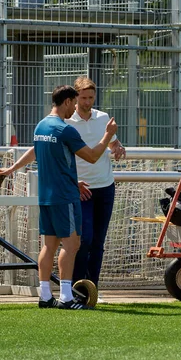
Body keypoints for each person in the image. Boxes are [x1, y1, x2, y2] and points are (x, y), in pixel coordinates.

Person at [0, 85, 117, 310]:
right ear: (67, 102)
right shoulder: (65, 129)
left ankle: (44, 296)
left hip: (46, 196)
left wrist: (12, 168)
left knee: (49, 246)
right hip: (65, 197)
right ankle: (66, 297)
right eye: (74, 102)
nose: (75, 108)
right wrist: (108, 135)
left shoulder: (41, 125)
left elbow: (36, 151)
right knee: (72, 246)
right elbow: (92, 156)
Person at [66, 76, 126, 298]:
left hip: (105, 187)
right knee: (84, 240)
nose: (87, 102)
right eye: (83, 98)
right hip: (81, 189)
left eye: (91, 97)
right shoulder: (67, 121)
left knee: (98, 242)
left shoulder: (102, 118)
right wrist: (74, 183)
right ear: (75, 97)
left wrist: (119, 147)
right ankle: (76, 288)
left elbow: (112, 142)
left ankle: (92, 289)